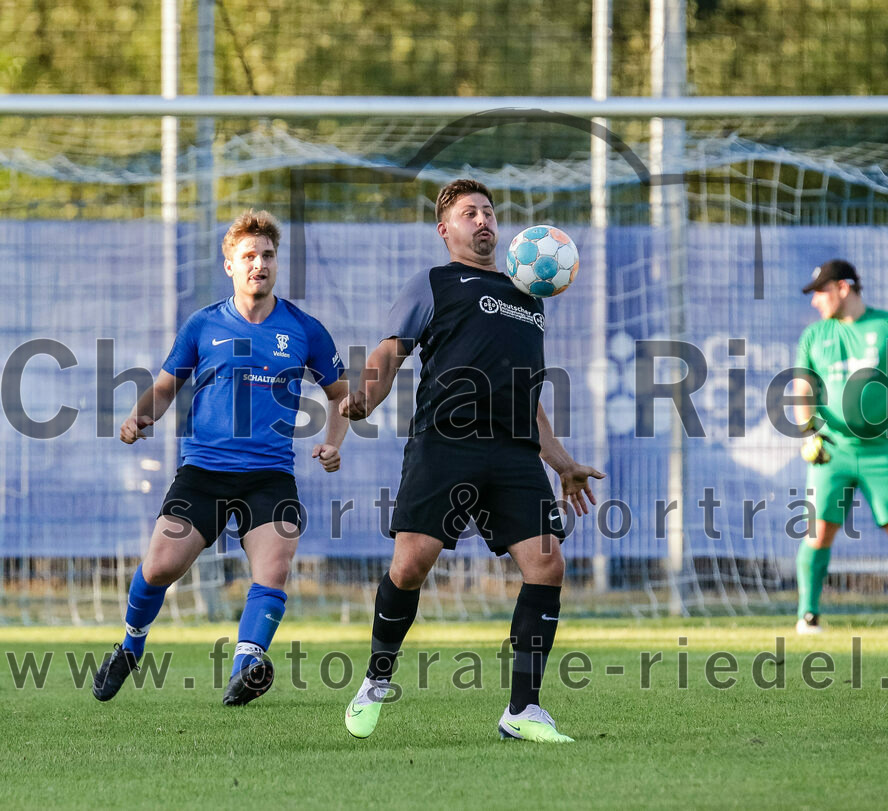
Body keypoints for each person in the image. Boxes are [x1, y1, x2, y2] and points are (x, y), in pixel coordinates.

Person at [339, 179, 604, 743]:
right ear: (446, 230)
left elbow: (527, 397)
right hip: (444, 445)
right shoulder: (433, 283)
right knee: (410, 567)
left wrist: (561, 462)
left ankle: (522, 710)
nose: (483, 221)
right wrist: (365, 397)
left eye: (488, 212)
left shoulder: (529, 293)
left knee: (547, 566)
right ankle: (377, 678)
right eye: (469, 213)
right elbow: (390, 352)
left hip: (511, 454)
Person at [92, 209, 348, 704]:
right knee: (160, 567)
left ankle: (247, 665)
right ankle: (129, 646)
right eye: (248, 255)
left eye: (268, 255)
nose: (260, 264)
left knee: (274, 567)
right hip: (203, 473)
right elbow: (166, 388)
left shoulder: (304, 329)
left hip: (270, 475)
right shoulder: (202, 324)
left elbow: (341, 395)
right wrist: (138, 415)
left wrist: (334, 441)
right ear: (229, 264)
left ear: (277, 263)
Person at [792, 259, 888, 635]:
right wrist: (807, 433)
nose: (815, 302)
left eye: (820, 293)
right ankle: (808, 615)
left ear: (844, 288)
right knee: (820, 530)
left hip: (882, 447)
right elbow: (802, 389)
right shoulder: (814, 336)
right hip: (833, 449)